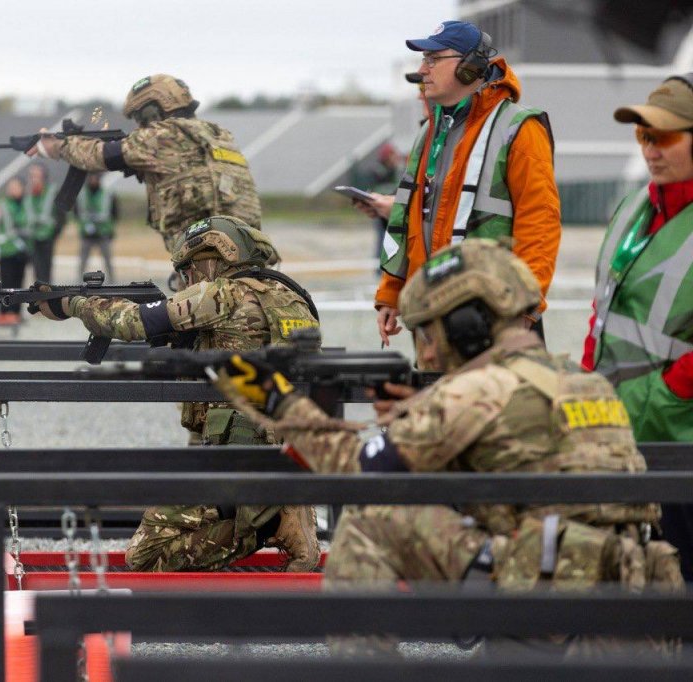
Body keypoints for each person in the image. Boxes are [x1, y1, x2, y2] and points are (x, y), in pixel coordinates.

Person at [216, 239, 682, 656]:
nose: (430, 353)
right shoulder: (584, 383)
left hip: (547, 610)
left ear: (467, 325)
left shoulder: (478, 390)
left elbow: (362, 468)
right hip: (635, 613)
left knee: (370, 518)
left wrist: (276, 401)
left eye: (431, 333)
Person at [31, 216, 321, 572]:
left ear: (211, 259)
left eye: (188, 272)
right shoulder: (292, 298)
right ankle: (270, 512)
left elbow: (132, 321)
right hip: (288, 453)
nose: (186, 283)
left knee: (143, 556)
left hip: (237, 460)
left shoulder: (222, 294)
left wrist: (72, 305)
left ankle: (272, 521)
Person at [352, 21, 560, 346]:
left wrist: (523, 308)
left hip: (497, 319)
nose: (422, 70)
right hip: (434, 317)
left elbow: (540, 226)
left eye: (433, 59)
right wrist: (391, 293)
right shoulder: (430, 132)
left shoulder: (519, 129)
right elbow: (406, 218)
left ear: (469, 68)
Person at [583, 73, 693, 578]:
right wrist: (586, 384)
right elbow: (602, 312)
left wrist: (663, 397)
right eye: (643, 136)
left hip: (677, 434)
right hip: (620, 432)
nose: (651, 149)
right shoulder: (632, 208)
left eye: (666, 136)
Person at [28, 74, 261, 252]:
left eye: (142, 116)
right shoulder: (216, 135)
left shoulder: (166, 134)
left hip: (211, 255)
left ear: (158, 108)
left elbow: (101, 155)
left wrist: (56, 145)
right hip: (242, 249)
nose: (141, 126)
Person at [0, 177, 31, 320]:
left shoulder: (27, 204)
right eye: (10, 187)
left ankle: (16, 312)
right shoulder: (2, 205)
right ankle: (4, 313)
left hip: (22, 250)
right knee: (6, 281)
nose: (13, 190)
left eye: (16, 187)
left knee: (19, 282)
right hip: (6, 251)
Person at [24, 163, 65, 283]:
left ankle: (47, 297)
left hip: (47, 238)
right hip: (31, 238)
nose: (33, 179)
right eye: (31, 176)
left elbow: (61, 216)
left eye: (36, 176)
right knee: (36, 271)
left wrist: (54, 233)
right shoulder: (27, 193)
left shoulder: (52, 191)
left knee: (46, 271)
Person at [75, 172, 118, 281]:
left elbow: (115, 213)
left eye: (96, 178)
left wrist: (111, 231)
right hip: (86, 234)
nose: (93, 180)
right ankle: (79, 282)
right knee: (82, 261)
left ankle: (112, 282)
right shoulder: (81, 194)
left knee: (108, 260)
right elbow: (77, 214)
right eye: (91, 178)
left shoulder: (108, 194)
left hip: (103, 233)